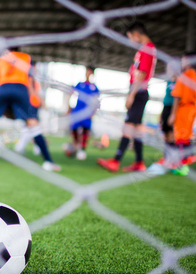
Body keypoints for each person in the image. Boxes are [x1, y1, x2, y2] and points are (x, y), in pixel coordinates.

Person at [97, 22, 156, 172]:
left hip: (139, 92)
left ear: (136, 34)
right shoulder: (145, 49)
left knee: (128, 127)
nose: (130, 41)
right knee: (135, 129)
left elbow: (141, 74)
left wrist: (132, 95)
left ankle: (116, 161)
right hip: (139, 91)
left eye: (130, 37)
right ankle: (139, 163)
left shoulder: (147, 49)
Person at [167, 52, 196, 175]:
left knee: (180, 135)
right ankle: (185, 159)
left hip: (184, 109)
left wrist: (173, 114)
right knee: (185, 134)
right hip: (192, 109)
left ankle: (185, 159)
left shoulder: (185, 76)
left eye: (184, 60)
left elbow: (177, 96)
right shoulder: (194, 76)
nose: (182, 62)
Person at [67, 65, 100, 160]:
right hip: (77, 110)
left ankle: (82, 149)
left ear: (92, 74)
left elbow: (96, 101)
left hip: (88, 112)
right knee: (74, 128)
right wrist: (69, 107)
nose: (88, 73)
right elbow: (71, 94)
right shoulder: (80, 84)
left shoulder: (94, 87)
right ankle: (76, 144)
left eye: (90, 72)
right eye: (87, 71)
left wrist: (93, 112)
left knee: (86, 130)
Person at [14, 62, 44, 155]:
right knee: (31, 128)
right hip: (30, 105)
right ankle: (21, 147)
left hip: (34, 105)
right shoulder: (28, 79)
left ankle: (33, 147)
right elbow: (31, 92)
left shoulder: (34, 80)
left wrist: (40, 102)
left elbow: (37, 93)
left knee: (32, 128)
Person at [160, 73, 176, 144]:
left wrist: (173, 114)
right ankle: (166, 153)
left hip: (173, 108)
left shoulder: (179, 82)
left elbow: (177, 98)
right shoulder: (168, 81)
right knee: (165, 129)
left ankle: (172, 151)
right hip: (165, 107)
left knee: (171, 130)